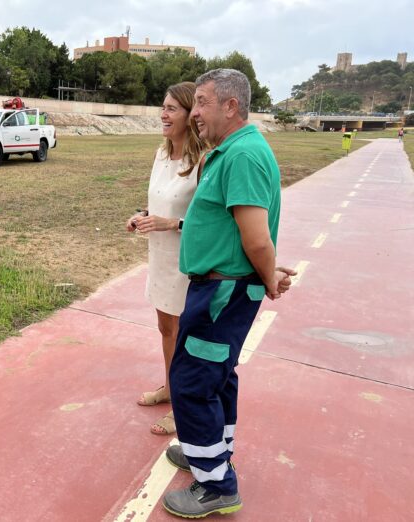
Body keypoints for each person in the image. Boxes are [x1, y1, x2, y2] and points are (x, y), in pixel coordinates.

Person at [161, 69, 296, 518]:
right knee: (217, 376)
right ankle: (211, 450)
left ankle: (216, 484)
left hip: (222, 292)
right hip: (221, 287)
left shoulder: (242, 155)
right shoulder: (233, 151)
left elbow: (256, 238)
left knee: (193, 382)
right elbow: (242, 232)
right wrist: (265, 271)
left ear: (230, 106)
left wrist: (268, 275)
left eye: (201, 102)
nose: (194, 112)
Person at [126, 82, 206, 436]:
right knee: (166, 329)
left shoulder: (202, 160)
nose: (164, 114)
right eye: (163, 107)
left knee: (185, 335)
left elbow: (209, 221)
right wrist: (141, 215)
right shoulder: (161, 155)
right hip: (159, 255)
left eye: (173, 108)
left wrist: (169, 223)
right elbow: (159, 202)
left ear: (191, 115)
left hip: (187, 261)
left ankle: (183, 406)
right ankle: (171, 389)